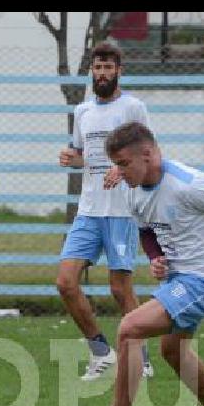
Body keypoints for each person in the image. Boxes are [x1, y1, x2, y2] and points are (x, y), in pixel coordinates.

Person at [83, 122, 204, 406]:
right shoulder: (133, 190)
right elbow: (147, 229)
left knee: (130, 328)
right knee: (172, 350)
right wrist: (155, 258)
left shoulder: (188, 184)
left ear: (146, 155)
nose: (119, 172)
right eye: (116, 166)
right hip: (178, 280)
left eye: (123, 164)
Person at [57, 42, 154, 380]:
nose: (102, 74)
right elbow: (86, 156)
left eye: (108, 68)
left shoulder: (134, 108)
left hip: (121, 211)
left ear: (118, 71)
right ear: (92, 72)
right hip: (88, 210)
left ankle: (142, 358)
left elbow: (150, 156)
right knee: (66, 282)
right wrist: (73, 159)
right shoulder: (83, 111)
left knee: (119, 288)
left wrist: (125, 169)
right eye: (97, 68)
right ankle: (100, 352)